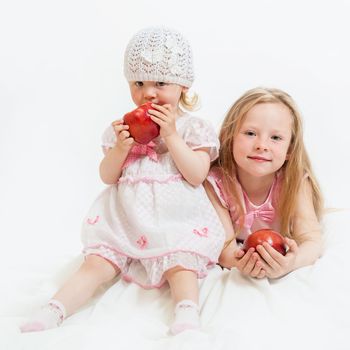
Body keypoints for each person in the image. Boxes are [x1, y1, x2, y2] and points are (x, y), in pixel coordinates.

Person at [20, 27, 225, 335]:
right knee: (96, 265)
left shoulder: (192, 128)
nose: (148, 92)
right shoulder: (123, 130)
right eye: (138, 83)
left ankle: (186, 311)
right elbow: (107, 176)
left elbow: (196, 175)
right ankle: (54, 309)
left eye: (161, 82)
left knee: (181, 263)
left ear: (183, 85)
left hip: (174, 221)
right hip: (124, 222)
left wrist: (170, 135)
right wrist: (120, 149)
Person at [205, 87, 323, 279]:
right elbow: (225, 248)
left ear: (289, 150)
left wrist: (291, 263)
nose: (261, 145)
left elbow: (312, 240)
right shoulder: (215, 183)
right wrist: (242, 264)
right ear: (230, 136)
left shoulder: (295, 182)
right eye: (250, 133)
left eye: (275, 137)